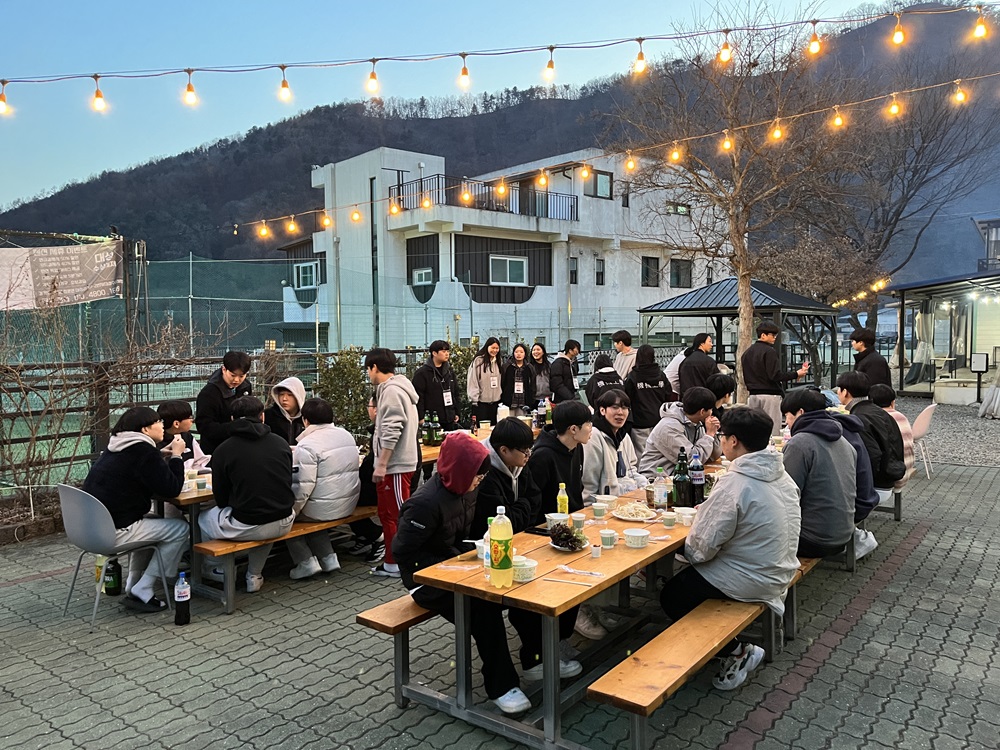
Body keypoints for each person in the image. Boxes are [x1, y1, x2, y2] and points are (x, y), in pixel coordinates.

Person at [393, 431, 582, 716]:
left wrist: (470, 553)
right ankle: (501, 686)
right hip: (425, 582)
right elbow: (404, 553)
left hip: (458, 566)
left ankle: (535, 660)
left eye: (482, 476)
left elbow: (459, 535)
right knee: (483, 608)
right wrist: (454, 561)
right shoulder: (424, 503)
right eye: (476, 476)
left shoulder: (467, 488)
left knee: (523, 585)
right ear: (458, 470)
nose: (480, 481)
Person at [659, 407, 801, 691]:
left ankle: (737, 652)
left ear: (733, 440)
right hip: (780, 567)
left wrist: (682, 550)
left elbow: (700, 549)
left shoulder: (736, 482)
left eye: (722, 436)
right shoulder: (781, 475)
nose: (720, 440)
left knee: (672, 595)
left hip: (751, 578)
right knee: (688, 580)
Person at [82, 406, 188, 612]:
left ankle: (133, 583)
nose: (162, 425)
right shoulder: (144, 452)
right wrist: (176, 456)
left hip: (89, 530)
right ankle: (145, 586)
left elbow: (134, 468)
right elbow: (172, 489)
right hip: (115, 531)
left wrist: (159, 455)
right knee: (181, 529)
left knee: (153, 521)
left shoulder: (116, 446)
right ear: (145, 430)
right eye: (158, 422)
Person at [199, 396, 296, 593]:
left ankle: (214, 568)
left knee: (202, 518)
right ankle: (254, 574)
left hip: (250, 523)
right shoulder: (280, 443)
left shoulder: (223, 450)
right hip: (285, 519)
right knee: (265, 517)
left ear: (232, 419)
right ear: (262, 416)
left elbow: (221, 499)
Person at [779, 388, 860, 559]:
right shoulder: (843, 441)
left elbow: (786, 495)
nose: (787, 423)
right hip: (844, 532)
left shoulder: (800, 443)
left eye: (787, 416)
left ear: (800, 413)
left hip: (812, 539)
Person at [287, 398, 361, 579]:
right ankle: (328, 558)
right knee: (316, 508)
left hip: (323, 509)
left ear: (305, 420)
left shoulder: (307, 445)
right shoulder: (346, 435)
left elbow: (303, 487)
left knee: (286, 518)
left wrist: (292, 511)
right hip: (348, 504)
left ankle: (305, 562)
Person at [366, 347, 420, 578]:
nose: (368, 374)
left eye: (368, 369)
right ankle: (391, 562)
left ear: (374, 367)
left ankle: (402, 562)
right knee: (388, 515)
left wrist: (381, 463)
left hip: (396, 465)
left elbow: (392, 428)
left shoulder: (391, 391)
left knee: (398, 516)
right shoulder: (396, 388)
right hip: (395, 464)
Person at [836, 372, 906, 495]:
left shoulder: (859, 417)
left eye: (839, 389)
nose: (837, 392)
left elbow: (872, 456)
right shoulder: (878, 411)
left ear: (845, 392)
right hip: (891, 475)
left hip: (876, 484)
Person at [472, 417, 542, 536]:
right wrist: (524, 504)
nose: (529, 455)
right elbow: (500, 520)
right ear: (504, 450)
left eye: (530, 449)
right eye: (525, 451)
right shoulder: (484, 474)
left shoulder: (519, 463)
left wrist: (518, 508)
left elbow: (535, 500)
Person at [526, 400, 592, 522]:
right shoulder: (543, 455)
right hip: (549, 523)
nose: (591, 428)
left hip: (574, 516)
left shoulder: (577, 447)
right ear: (573, 429)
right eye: (588, 424)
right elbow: (533, 499)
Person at [741, 323, 810, 436]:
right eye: (772, 335)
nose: (775, 338)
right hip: (770, 395)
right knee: (773, 430)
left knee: (754, 430)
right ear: (763, 335)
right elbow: (775, 376)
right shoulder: (769, 351)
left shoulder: (747, 353)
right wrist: (796, 374)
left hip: (753, 395)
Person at [639, 386, 721, 478]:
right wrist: (709, 435)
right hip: (656, 478)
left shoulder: (697, 423)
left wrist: (713, 433)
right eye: (711, 409)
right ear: (702, 411)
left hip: (679, 476)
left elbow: (713, 456)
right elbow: (691, 459)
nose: (712, 413)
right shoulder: (669, 427)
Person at [582, 389, 646, 501]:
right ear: (602, 410)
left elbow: (631, 471)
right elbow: (589, 481)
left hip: (624, 500)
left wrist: (646, 485)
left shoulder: (624, 436)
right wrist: (589, 505)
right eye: (615, 407)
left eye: (625, 408)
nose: (620, 412)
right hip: (601, 503)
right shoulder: (594, 436)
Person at [345, 395, 385, 563]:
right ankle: (365, 536)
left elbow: (373, 464)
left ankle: (376, 536)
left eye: (369, 406)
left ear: (375, 410)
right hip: (375, 484)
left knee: (344, 499)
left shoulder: (382, 432)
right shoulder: (379, 430)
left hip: (378, 486)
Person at [195, 350, 253, 454]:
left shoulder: (245, 386)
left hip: (241, 444)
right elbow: (204, 426)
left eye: (241, 376)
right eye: (233, 375)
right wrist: (234, 427)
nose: (237, 380)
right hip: (216, 448)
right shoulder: (209, 393)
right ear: (224, 369)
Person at [624, 344, 674, 457]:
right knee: (659, 452)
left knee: (641, 454)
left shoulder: (633, 376)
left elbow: (627, 397)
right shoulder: (661, 375)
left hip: (640, 421)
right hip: (659, 420)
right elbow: (668, 394)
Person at [869, 384, 916, 491]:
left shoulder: (878, 418)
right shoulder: (901, 416)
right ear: (892, 402)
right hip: (906, 468)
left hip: (892, 476)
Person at [411, 340, 462, 431]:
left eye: (448, 351)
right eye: (443, 351)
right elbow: (418, 397)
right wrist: (421, 417)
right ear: (434, 353)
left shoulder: (449, 371)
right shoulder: (422, 373)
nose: (447, 354)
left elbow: (455, 393)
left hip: (449, 418)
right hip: (432, 420)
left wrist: (456, 412)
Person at [156, 399, 209, 471]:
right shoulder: (158, 441)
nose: (192, 420)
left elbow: (200, 461)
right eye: (190, 417)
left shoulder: (188, 437)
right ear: (176, 424)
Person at [468, 337, 503, 425]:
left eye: (497, 348)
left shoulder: (499, 361)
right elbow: (473, 380)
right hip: (481, 403)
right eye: (492, 348)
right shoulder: (478, 361)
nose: (495, 350)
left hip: (496, 403)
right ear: (487, 347)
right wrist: (474, 399)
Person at [263, 376, 306, 445]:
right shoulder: (267, 416)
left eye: (290, 395)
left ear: (298, 396)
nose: (284, 399)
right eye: (281, 394)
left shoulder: (308, 417)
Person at [500, 343, 536, 417]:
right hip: (510, 402)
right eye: (516, 352)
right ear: (513, 353)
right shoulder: (506, 366)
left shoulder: (529, 367)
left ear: (525, 354)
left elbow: (533, 385)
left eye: (521, 352)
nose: (518, 354)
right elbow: (502, 383)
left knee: (522, 422)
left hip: (524, 402)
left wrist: (531, 400)